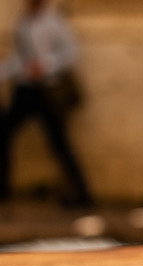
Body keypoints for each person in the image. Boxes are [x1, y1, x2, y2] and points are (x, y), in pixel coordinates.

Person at [0, 0, 91, 206]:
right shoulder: (23, 22)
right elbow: (19, 58)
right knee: (4, 132)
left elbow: (70, 53)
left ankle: (82, 193)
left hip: (47, 91)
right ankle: (3, 188)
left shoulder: (54, 21)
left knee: (59, 142)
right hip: (25, 89)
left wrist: (45, 66)